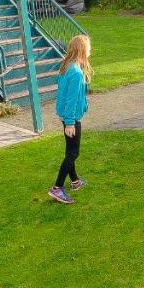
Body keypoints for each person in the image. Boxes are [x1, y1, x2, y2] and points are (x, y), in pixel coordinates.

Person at [48, 34, 91, 205]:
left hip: (66, 115)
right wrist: (70, 122)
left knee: (70, 151)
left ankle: (75, 181)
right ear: (81, 50)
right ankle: (57, 188)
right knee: (73, 153)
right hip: (70, 117)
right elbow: (71, 99)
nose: (90, 51)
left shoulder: (68, 67)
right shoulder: (75, 73)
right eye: (88, 48)